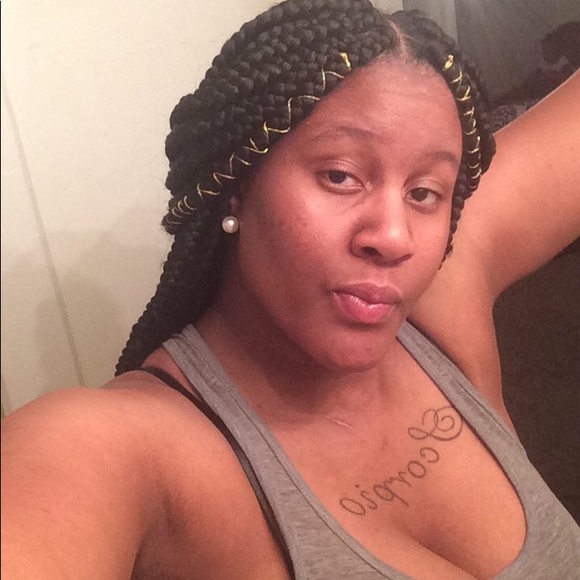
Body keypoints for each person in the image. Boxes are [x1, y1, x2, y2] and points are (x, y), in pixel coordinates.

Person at [2, 0, 579, 578]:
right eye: (340, 176)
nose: (394, 237)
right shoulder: (118, 448)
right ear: (237, 184)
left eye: (425, 192)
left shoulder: (436, 302)